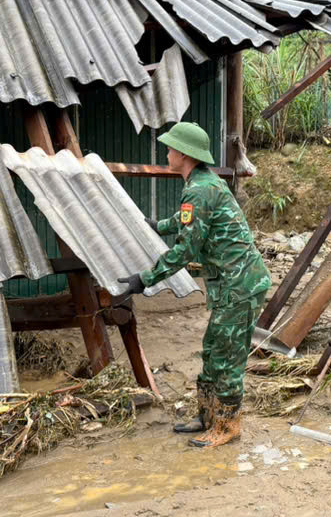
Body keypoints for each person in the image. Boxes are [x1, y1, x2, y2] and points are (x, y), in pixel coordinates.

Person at [115, 121, 270, 449]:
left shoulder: (199, 189)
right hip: (231, 284)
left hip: (241, 285)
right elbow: (190, 220)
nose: (167, 153)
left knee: (226, 356)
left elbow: (187, 250)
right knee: (212, 348)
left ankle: (227, 425)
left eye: (170, 148)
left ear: (184, 154)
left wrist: (144, 280)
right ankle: (207, 416)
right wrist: (160, 225)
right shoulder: (201, 184)